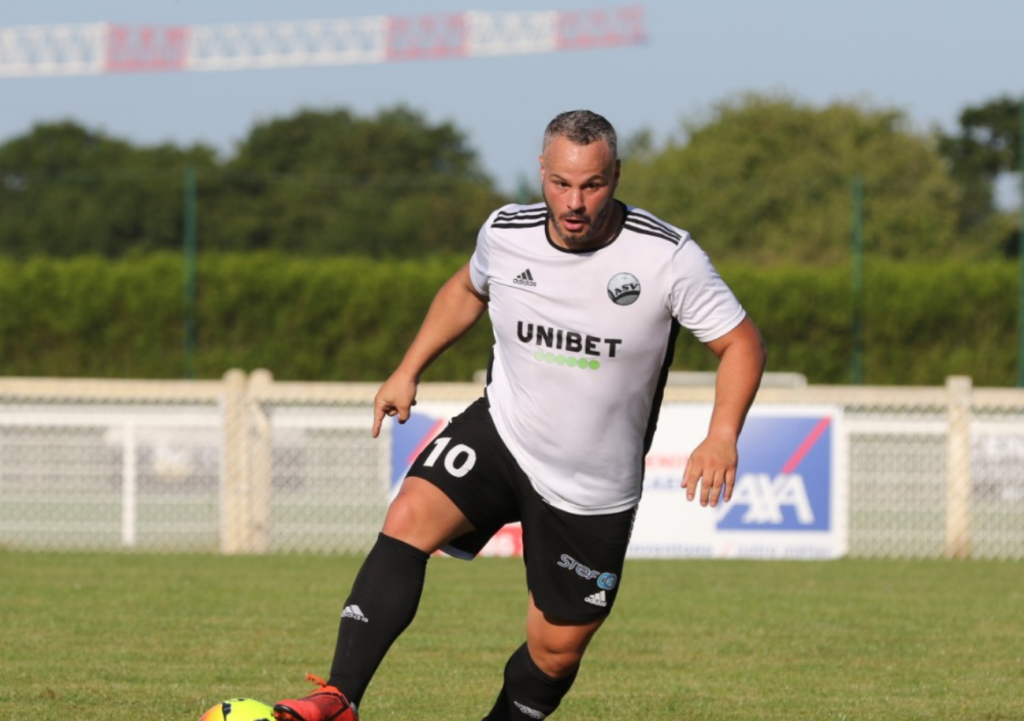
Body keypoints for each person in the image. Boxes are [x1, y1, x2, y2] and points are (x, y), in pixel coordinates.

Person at [273, 109, 766, 721]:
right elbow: (465, 290)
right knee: (408, 516)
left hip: (592, 484)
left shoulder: (667, 257)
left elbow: (741, 343)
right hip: (502, 431)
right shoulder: (506, 232)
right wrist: (409, 368)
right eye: (561, 183)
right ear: (542, 171)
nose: (575, 202)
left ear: (617, 175)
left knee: (556, 651)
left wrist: (722, 436)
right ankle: (338, 697)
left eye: (593, 184)